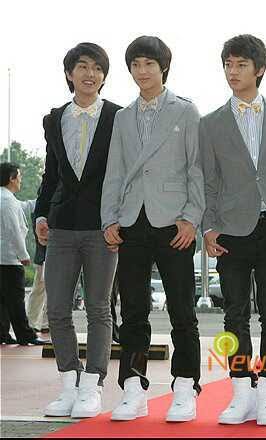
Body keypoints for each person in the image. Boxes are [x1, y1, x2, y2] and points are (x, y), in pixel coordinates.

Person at [201, 34, 266, 426]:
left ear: (259, 69)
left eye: (241, 65)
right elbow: (207, 180)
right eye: (228, 65)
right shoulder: (210, 123)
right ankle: (240, 391)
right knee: (234, 314)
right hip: (230, 228)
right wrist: (208, 226)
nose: (233, 72)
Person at [101, 35, 205, 423]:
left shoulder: (186, 110)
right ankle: (133, 386)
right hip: (131, 221)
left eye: (149, 64)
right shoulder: (123, 117)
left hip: (174, 223)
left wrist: (192, 217)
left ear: (164, 68)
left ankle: (185, 386)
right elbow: (114, 171)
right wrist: (109, 218)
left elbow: (197, 168)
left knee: (182, 310)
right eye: (135, 65)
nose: (142, 71)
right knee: (133, 311)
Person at [35, 42, 120, 419]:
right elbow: (51, 175)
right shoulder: (54, 119)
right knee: (56, 308)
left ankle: (92, 385)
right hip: (62, 226)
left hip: (103, 227)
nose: (91, 74)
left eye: (98, 68)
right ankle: (69, 383)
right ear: (70, 73)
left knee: (100, 308)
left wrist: (119, 217)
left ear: (104, 76)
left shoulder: (118, 117)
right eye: (83, 66)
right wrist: (41, 215)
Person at [0, 162, 46, 346]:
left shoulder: (6, 199)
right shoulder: (7, 201)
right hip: (9, 260)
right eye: (19, 176)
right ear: (11, 179)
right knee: (16, 300)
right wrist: (23, 255)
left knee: (2, 300)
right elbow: (14, 231)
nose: (21, 180)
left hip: (3, 259)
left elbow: (25, 206)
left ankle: (2, 333)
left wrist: (44, 200)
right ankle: (25, 334)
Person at [27, 195, 49, 334]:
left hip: (46, 254)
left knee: (42, 290)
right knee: (40, 289)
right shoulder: (40, 207)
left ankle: (40, 322)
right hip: (45, 254)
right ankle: (34, 322)